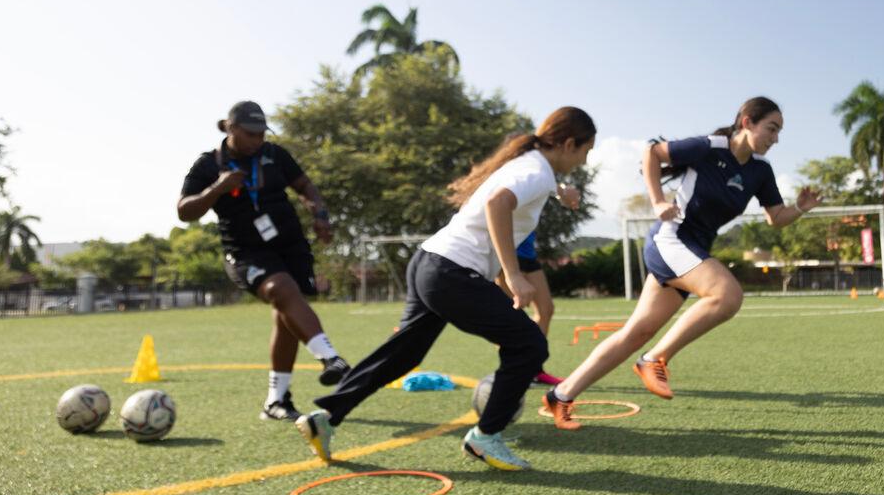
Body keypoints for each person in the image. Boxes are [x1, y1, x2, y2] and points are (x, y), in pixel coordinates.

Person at [297, 106, 596, 470]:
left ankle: (326, 418)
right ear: (568, 144)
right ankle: (486, 436)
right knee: (529, 345)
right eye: (585, 151)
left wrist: (561, 192)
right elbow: (498, 203)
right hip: (452, 273)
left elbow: (520, 188)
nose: (583, 160)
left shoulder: (530, 166)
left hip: (430, 262)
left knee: (403, 354)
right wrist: (513, 274)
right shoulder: (535, 170)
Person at [542, 97, 821, 430]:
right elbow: (652, 153)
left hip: (691, 251)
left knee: (636, 332)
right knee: (727, 295)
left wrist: (800, 208)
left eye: (779, 132)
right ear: (747, 122)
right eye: (771, 129)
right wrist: (658, 202)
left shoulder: (760, 170)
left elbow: (776, 217)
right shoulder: (710, 147)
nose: (775, 138)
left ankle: (560, 395)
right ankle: (653, 360)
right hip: (671, 240)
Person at [177, 101, 349, 421]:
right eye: (250, 134)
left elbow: (305, 186)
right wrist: (217, 189)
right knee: (280, 289)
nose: (257, 140)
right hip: (246, 251)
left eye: (261, 134)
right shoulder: (209, 164)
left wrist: (320, 214)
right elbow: (184, 211)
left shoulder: (275, 155)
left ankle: (276, 400)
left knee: (287, 312)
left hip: (290, 245)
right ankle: (330, 358)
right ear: (231, 128)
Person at [497, 181, 581, 387]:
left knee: (546, 310)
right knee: (511, 317)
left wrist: (564, 192)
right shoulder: (510, 182)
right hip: (507, 256)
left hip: (528, 255)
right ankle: (515, 370)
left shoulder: (537, 178)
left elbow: (550, 183)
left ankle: (533, 369)